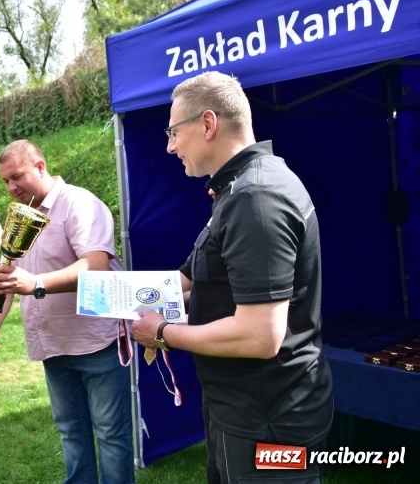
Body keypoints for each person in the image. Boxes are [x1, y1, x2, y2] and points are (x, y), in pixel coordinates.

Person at [131, 71, 333, 484]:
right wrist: (99, 294)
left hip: (269, 419)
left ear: (208, 123)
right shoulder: (235, 189)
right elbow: (199, 283)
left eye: (173, 132)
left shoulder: (255, 197)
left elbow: (260, 336)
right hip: (240, 408)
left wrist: (163, 333)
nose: (169, 146)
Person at [0, 140, 135, 484]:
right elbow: (8, 276)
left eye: (17, 176)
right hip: (52, 344)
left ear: (40, 166)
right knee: (71, 433)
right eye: (5, 181)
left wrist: (35, 283)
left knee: (111, 434)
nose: (11, 187)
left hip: (97, 342)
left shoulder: (79, 203)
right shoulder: (20, 215)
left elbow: (95, 266)